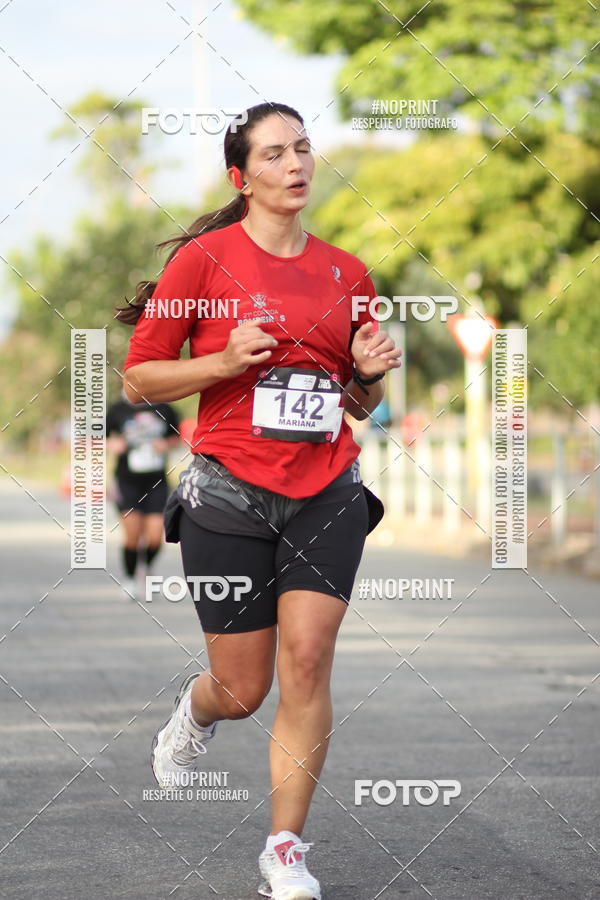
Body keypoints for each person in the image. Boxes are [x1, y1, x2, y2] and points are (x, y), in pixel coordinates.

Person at [117, 101, 401, 900]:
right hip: (229, 495)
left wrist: (369, 374)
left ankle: (286, 848)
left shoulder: (347, 273)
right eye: (275, 153)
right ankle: (196, 711)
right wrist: (221, 364)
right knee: (243, 689)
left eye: (303, 148)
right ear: (241, 177)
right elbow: (139, 378)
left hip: (327, 490)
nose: (296, 163)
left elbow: (359, 406)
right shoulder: (203, 263)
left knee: (306, 660)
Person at [106, 391, 180, 600]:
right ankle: (130, 579)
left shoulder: (164, 408)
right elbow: (98, 438)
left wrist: (166, 445)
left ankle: (146, 567)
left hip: (156, 481)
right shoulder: (118, 409)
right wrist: (113, 445)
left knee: (155, 536)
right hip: (127, 481)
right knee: (132, 535)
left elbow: (176, 438)